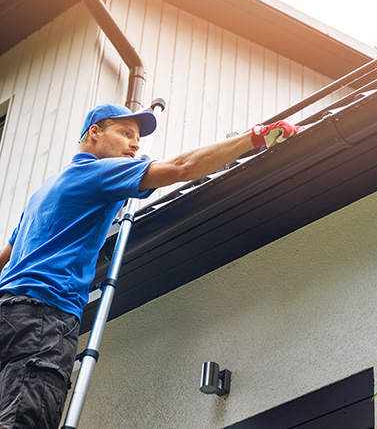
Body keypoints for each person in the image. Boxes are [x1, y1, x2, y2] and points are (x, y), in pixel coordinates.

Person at [0, 103, 300, 429]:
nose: (135, 144)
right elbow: (182, 167)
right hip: (44, 319)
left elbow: (5, 255)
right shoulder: (98, 173)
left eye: (138, 138)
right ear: (94, 133)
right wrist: (254, 137)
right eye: (126, 133)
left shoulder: (43, 192)